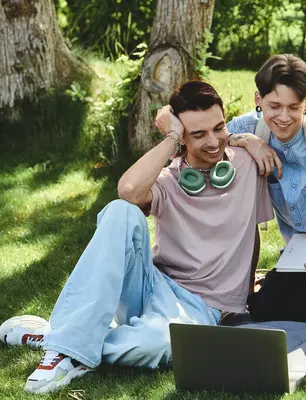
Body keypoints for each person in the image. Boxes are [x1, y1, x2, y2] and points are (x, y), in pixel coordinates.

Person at [0, 80, 273, 394]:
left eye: (219, 128)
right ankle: (70, 343)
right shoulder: (168, 179)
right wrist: (171, 136)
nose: (213, 142)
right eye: (198, 134)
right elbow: (128, 191)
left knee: (153, 345)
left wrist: (246, 138)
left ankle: (63, 339)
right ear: (182, 137)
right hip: (150, 286)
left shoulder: (248, 163)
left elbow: (287, 116)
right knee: (121, 211)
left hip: (202, 308)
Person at [157, 54, 306, 324]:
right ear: (258, 100)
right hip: (298, 256)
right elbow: (205, 133)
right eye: (274, 106)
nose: (283, 117)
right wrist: (246, 140)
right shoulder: (249, 127)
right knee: (264, 312)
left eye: (294, 107)